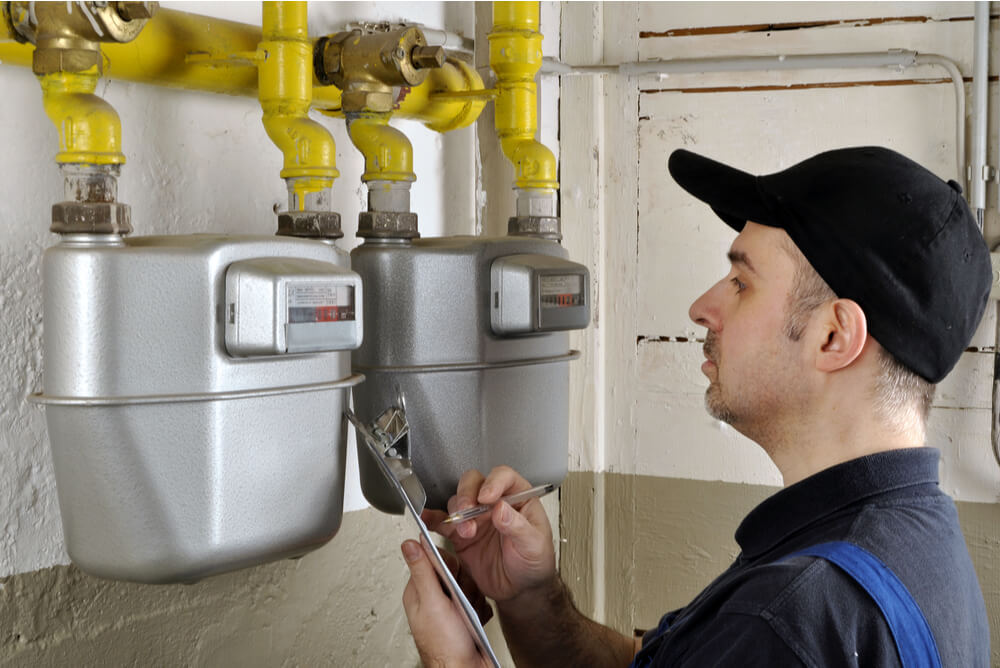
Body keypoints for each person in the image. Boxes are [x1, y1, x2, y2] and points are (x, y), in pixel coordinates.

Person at [398, 146, 993, 666]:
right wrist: (529, 598)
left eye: (741, 282)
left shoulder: (789, 621)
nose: (703, 307)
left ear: (833, 338)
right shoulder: (909, 540)